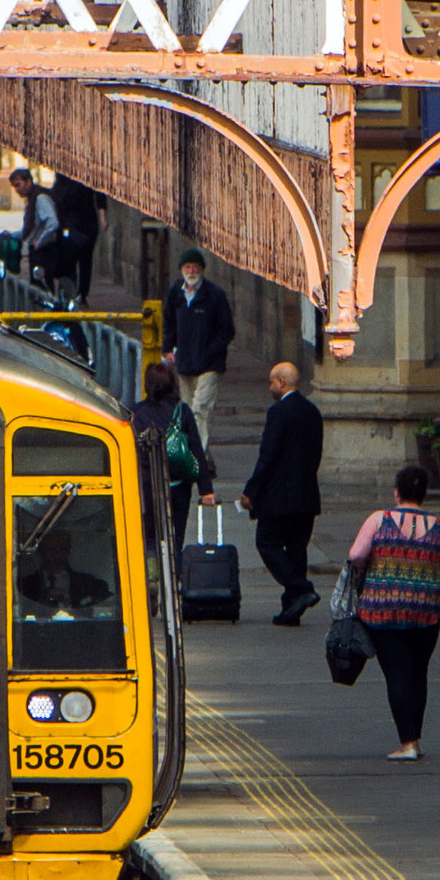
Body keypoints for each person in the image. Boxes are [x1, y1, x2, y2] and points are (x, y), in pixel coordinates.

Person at [343, 466, 440, 761]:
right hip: (427, 612)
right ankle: (416, 739)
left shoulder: (379, 519)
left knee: (397, 673)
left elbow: (356, 555)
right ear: (424, 493)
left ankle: (407, 743)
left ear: (397, 491)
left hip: (383, 610)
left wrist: (367, 569)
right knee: (418, 672)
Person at [239, 361, 325, 626]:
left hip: (279, 497)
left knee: (267, 543)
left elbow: (269, 455)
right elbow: (316, 454)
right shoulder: (312, 411)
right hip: (307, 495)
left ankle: (301, 588)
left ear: (282, 382)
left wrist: (251, 490)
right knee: (297, 550)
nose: (270, 387)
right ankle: (292, 610)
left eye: (271, 382)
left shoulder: (279, 412)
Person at [129, 360, 212, 543]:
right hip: (178, 485)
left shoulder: (136, 413)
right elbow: (196, 450)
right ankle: (177, 568)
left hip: (148, 485)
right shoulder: (182, 411)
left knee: (150, 536)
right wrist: (206, 489)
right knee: (177, 535)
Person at [165, 249, 234, 425]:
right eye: (187, 267)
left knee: (200, 409)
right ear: (181, 269)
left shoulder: (214, 295)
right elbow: (169, 322)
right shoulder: (176, 292)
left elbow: (227, 329)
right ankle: (193, 448)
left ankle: (198, 451)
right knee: (187, 410)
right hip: (185, 362)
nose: (191, 272)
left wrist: (211, 352)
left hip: (209, 364)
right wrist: (167, 348)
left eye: (195, 268)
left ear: (202, 270)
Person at [47, 175, 105, 304]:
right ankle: (70, 291)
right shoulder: (63, 178)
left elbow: (100, 195)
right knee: (70, 257)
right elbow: (56, 196)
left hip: (87, 222)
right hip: (70, 222)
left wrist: (102, 216)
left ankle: (82, 293)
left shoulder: (89, 176)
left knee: (85, 258)